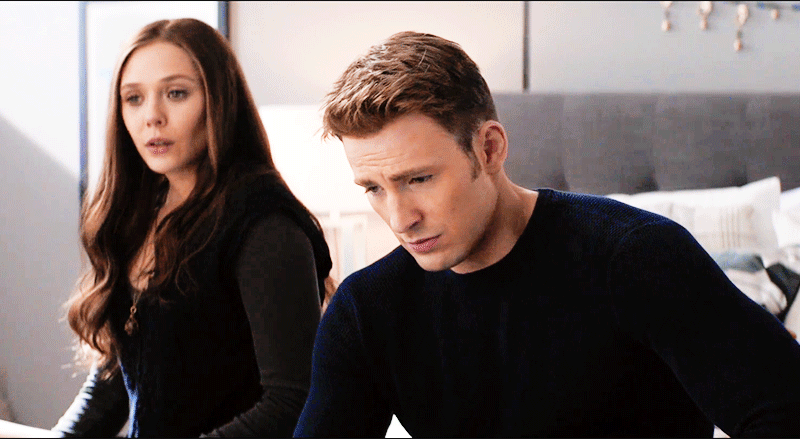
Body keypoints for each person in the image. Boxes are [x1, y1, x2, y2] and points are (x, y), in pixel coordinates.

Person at [293, 31, 800, 437]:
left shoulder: (637, 257)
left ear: (489, 149)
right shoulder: (367, 311)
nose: (400, 218)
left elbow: (786, 411)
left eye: (419, 179)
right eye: (373, 188)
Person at [0, 18, 332, 438]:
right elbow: (115, 381)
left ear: (219, 101)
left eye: (176, 93)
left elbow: (291, 402)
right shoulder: (137, 215)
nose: (152, 117)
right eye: (133, 98)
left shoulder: (266, 225)